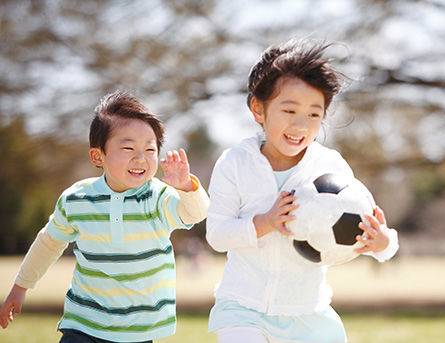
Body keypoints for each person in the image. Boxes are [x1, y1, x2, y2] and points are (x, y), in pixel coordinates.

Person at [206, 38, 399, 343]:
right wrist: (264, 223)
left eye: (313, 114)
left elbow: (362, 227)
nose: (301, 125)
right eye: (289, 110)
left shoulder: (330, 166)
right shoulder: (234, 163)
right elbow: (217, 235)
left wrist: (382, 243)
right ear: (258, 108)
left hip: (308, 311)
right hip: (243, 307)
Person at [0, 91, 209, 343]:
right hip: (84, 323)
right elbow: (49, 243)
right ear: (98, 156)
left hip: (138, 331)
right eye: (128, 147)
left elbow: (195, 214)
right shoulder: (77, 199)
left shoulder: (157, 197)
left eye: (150, 149)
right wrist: (20, 286)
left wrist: (186, 187)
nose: (140, 157)